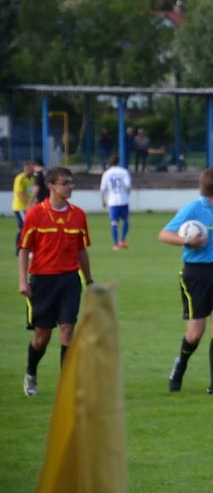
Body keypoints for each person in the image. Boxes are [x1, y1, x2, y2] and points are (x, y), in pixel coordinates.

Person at [159, 167, 213, 396]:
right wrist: (187, 241)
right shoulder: (193, 209)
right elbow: (164, 234)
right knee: (195, 333)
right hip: (195, 275)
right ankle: (180, 366)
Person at [17, 166, 94, 397]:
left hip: (69, 280)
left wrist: (89, 281)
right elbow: (24, 249)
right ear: (51, 186)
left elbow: (81, 251)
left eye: (71, 182)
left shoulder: (78, 215)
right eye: (65, 183)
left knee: (67, 331)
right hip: (42, 281)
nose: (70, 186)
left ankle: (66, 387)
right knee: (42, 337)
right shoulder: (35, 214)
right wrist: (23, 281)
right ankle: (31, 372)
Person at [99, 155, 133, 250]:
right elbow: (128, 185)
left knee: (114, 223)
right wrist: (127, 193)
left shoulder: (106, 173)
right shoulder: (123, 172)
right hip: (123, 200)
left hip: (112, 201)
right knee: (126, 221)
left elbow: (102, 189)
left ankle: (115, 244)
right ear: (118, 162)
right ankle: (122, 240)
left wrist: (103, 200)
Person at [12, 160, 35, 255]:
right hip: (20, 207)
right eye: (30, 168)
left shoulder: (32, 178)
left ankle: (25, 247)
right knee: (24, 227)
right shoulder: (20, 178)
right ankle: (21, 248)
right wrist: (31, 202)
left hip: (28, 208)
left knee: (24, 227)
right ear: (25, 168)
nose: (32, 170)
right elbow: (19, 194)